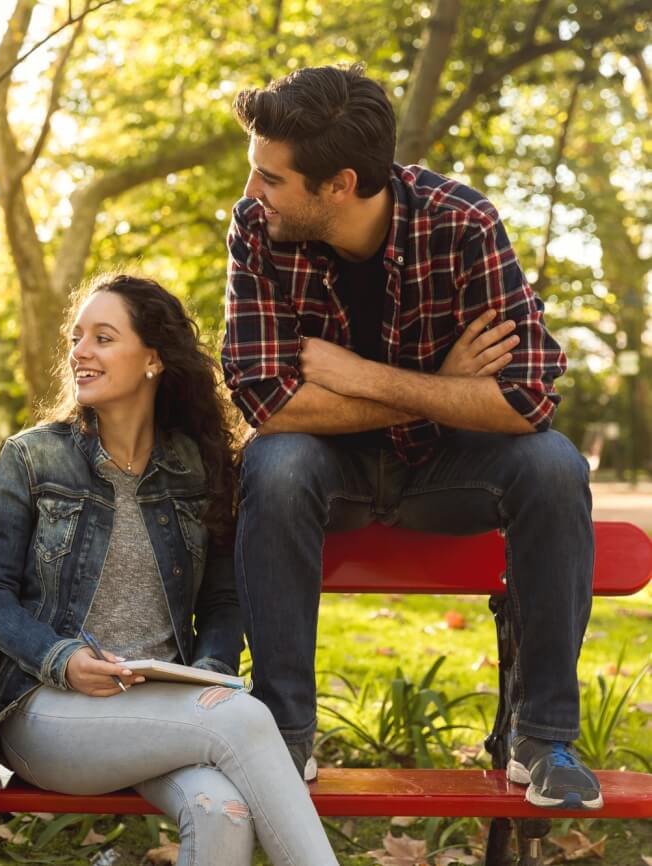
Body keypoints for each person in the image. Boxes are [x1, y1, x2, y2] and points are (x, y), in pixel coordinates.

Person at [222, 63, 600, 809]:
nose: (252, 192)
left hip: (447, 479)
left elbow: (527, 400)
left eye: (271, 177)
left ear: (341, 185)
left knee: (553, 466)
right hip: (331, 480)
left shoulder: (461, 223)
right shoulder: (257, 229)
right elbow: (266, 398)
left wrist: (360, 376)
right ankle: (285, 733)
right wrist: (446, 389)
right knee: (277, 461)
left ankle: (545, 739)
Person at [0, 274, 338, 866]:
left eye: (103, 337)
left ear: (152, 359)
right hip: (48, 711)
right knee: (245, 719)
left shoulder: (197, 468)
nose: (80, 352)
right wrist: (62, 659)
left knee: (223, 812)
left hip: (165, 706)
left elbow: (225, 600)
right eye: (77, 337)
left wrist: (209, 673)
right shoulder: (32, 457)